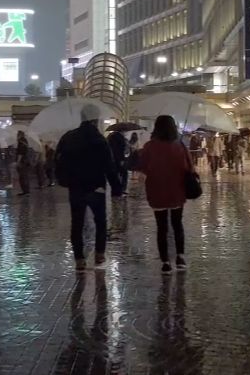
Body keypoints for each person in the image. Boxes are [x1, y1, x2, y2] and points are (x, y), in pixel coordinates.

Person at [56, 104, 125, 271]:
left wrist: (63, 179)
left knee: (77, 223)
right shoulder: (99, 139)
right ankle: (99, 255)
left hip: (76, 187)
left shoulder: (68, 137)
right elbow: (109, 166)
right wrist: (116, 188)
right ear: (96, 119)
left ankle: (79, 259)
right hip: (96, 187)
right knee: (100, 221)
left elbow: (58, 161)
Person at [132, 115, 192, 273]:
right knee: (177, 225)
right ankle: (180, 257)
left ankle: (165, 262)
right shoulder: (179, 145)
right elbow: (189, 168)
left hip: (157, 191)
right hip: (177, 191)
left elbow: (142, 167)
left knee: (162, 227)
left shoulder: (150, 146)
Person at [107, 127, 131, 193]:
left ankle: (116, 189)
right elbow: (119, 150)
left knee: (116, 174)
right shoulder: (119, 138)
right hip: (118, 159)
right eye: (125, 131)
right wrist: (121, 159)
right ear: (122, 131)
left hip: (112, 159)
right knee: (124, 173)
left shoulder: (110, 136)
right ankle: (122, 188)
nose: (126, 132)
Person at [15, 131, 34, 196]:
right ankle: (26, 191)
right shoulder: (25, 141)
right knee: (24, 176)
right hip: (26, 162)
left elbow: (20, 153)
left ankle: (26, 191)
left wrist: (18, 162)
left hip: (22, 162)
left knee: (23, 177)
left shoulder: (21, 142)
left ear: (20, 135)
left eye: (17, 134)